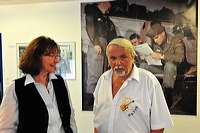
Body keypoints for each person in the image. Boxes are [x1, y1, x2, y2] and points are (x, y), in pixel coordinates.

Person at [93, 38, 173, 133]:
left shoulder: (149, 81)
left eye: (123, 57)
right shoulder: (103, 80)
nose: (118, 63)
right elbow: (98, 120)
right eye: (113, 58)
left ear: (132, 57)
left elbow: (159, 126)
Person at [0, 36, 78, 133]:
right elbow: (6, 129)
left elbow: (70, 118)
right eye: (52, 56)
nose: (57, 60)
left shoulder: (60, 82)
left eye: (57, 56)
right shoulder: (15, 88)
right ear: (37, 57)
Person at [140, 23, 189, 107]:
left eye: (156, 37)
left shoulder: (176, 40)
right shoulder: (157, 44)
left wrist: (162, 56)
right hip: (164, 68)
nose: (155, 41)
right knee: (143, 66)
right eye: (153, 39)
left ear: (163, 33)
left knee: (169, 65)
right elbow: (158, 60)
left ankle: (167, 95)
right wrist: (147, 57)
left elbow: (180, 58)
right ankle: (144, 93)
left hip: (176, 69)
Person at [84, 1, 117, 94]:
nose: (108, 10)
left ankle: (98, 98)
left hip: (104, 44)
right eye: (108, 7)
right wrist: (96, 43)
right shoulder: (92, 11)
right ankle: (90, 100)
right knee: (94, 74)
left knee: (101, 74)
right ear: (103, 3)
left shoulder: (105, 18)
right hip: (97, 44)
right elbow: (90, 26)